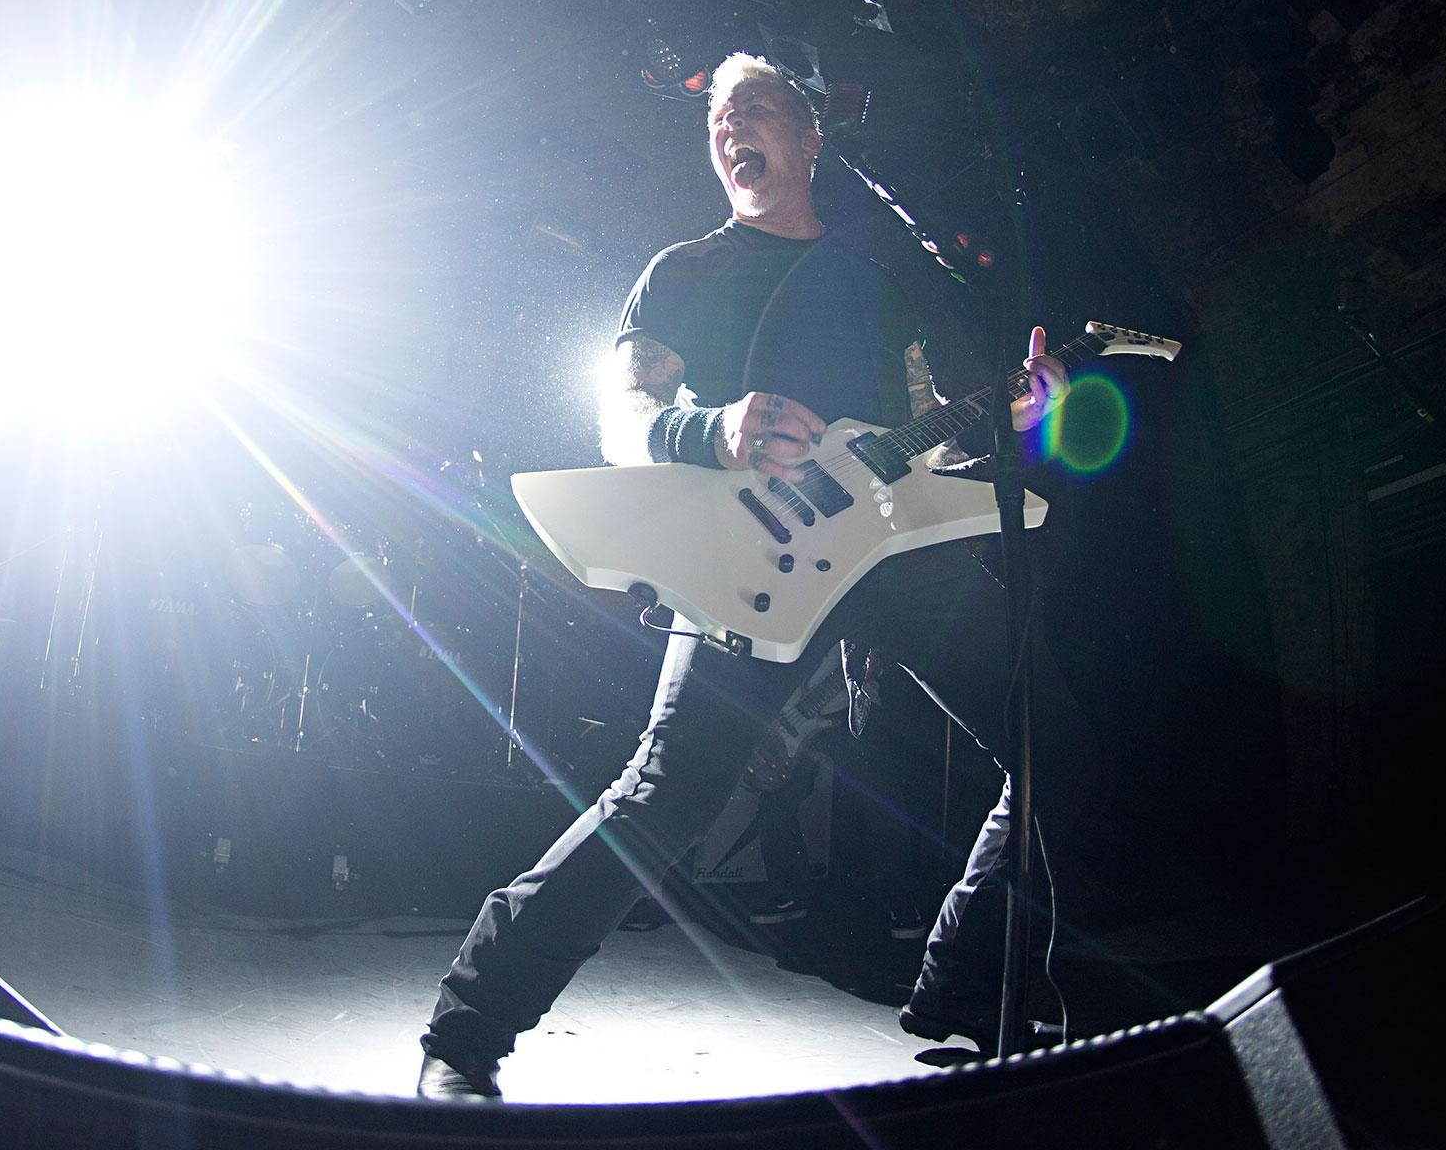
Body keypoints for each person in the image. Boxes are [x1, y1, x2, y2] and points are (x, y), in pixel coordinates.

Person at [417, 53, 1069, 1099]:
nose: (730, 127)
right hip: (756, 550)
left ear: (810, 140)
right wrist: (705, 425)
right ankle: (465, 1034)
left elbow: (927, 436)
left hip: (893, 547)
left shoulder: (883, 279)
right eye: (719, 117)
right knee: (668, 792)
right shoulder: (684, 270)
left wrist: (1014, 415)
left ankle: (958, 985)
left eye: (755, 108)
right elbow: (623, 415)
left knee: (1054, 748)